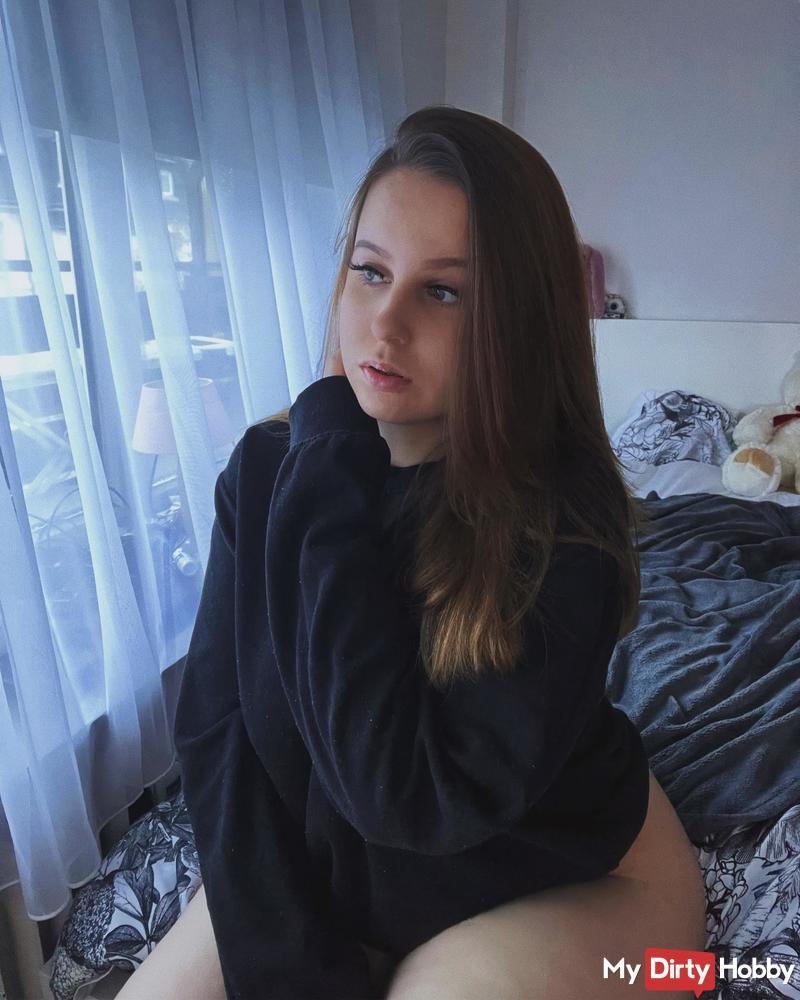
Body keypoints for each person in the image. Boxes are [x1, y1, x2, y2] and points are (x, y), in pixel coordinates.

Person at [117, 106, 706, 1000]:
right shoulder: (270, 466)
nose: (384, 326)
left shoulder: (564, 524)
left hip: (566, 871)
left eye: (444, 292)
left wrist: (330, 477)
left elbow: (408, 798)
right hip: (359, 872)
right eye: (371, 272)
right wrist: (295, 971)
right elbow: (217, 729)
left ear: (516, 323)